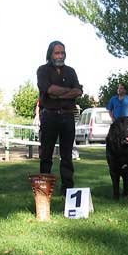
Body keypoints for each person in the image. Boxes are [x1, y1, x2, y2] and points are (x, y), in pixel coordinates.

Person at [36, 41, 83, 196]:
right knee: (46, 154)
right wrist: (68, 91)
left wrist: (59, 93)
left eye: (62, 52)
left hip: (68, 115)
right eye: (57, 53)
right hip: (49, 115)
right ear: (50, 54)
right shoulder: (42, 70)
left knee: (67, 155)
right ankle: (44, 187)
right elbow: (49, 90)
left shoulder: (71, 71)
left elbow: (78, 91)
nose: (60, 56)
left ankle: (68, 189)